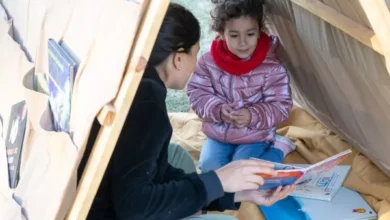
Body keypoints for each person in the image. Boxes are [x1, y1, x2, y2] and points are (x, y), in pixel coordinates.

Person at [78, 3, 295, 220]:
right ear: (178, 58)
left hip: (102, 191)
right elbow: (134, 207)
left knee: (179, 157)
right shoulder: (147, 108)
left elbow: (154, 172)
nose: (196, 63)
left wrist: (234, 193)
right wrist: (217, 181)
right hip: (105, 211)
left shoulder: (135, 81)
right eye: (196, 52)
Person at [187, 0, 296, 174]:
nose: (243, 43)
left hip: (255, 136)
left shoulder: (272, 67)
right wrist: (218, 109)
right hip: (218, 135)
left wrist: (252, 115)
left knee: (244, 174)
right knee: (210, 171)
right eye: (234, 35)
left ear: (260, 32)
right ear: (221, 33)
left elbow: (281, 105)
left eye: (250, 34)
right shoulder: (208, 62)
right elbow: (196, 92)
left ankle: (279, 148)